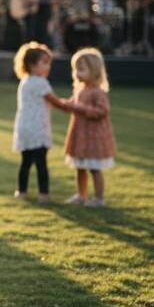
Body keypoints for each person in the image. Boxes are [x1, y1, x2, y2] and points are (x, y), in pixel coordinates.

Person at [11, 42, 69, 203]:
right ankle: (43, 195)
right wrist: (69, 106)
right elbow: (54, 101)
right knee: (41, 163)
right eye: (44, 63)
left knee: (26, 162)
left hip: (24, 127)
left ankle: (21, 191)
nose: (48, 66)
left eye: (48, 63)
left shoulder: (25, 81)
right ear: (31, 64)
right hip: (37, 129)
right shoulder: (40, 82)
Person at [62, 48, 116, 207]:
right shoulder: (80, 90)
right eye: (76, 69)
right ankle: (81, 195)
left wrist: (81, 109)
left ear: (94, 70)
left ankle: (99, 198)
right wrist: (63, 104)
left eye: (81, 69)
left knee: (94, 168)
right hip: (80, 136)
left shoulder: (98, 92)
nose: (77, 73)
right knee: (80, 167)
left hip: (94, 137)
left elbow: (103, 110)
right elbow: (73, 104)